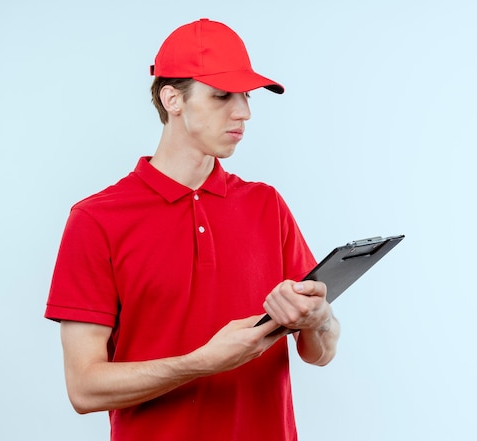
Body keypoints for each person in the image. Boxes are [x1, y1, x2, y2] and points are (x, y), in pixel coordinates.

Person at [45, 18, 340, 441]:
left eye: (246, 96)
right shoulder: (95, 220)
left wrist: (320, 318)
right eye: (222, 96)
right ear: (172, 99)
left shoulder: (266, 205)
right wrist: (202, 362)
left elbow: (320, 354)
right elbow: (83, 388)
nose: (244, 112)